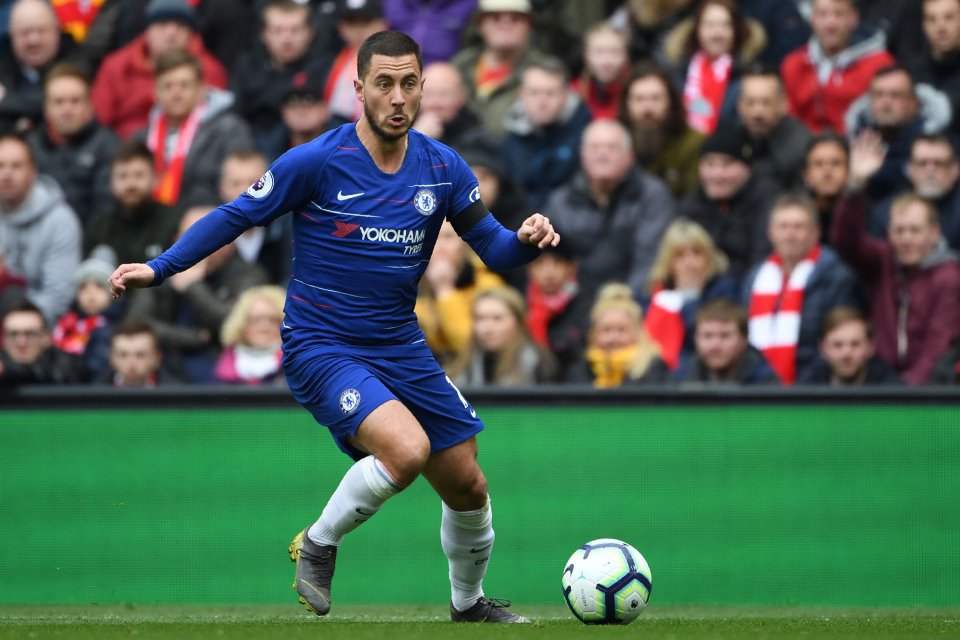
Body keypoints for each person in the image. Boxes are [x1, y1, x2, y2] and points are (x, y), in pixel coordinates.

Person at [108, 31, 559, 623]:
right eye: (384, 83)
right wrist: (161, 268)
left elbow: (494, 248)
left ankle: (468, 604)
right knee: (407, 451)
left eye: (409, 83)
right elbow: (235, 215)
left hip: (399, 343)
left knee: (468, 484)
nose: (397, 97)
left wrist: (525, 240)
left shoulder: (443, 167)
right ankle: (318, 544)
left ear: (423, 87)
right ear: (358, 89)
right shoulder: (316, 161)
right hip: (322, 345)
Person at [832, 133, 960, 384]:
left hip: (926, 391)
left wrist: (904, 393)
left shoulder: (949, 277)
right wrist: (856, 184)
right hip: (882, 382)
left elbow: (938, 346)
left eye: (915, 231)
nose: (906, 238)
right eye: (899, 231)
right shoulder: (883, 260)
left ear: (934, 233)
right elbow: (845, 241)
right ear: (889, 232)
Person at [547, 118, 675, 304]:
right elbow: (550, 263)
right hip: (573, 304)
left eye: (612, 147)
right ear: (583, 155)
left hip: (634, 302)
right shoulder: (561, 202)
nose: (602, 154)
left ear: (629, 156)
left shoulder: (652, 196)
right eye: (595, 147)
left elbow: (649, 261)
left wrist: (622, 304)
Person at [742, 193, 860, 384]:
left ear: (815, 232)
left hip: (813, 390)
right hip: (759, 388)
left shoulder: (836, 277)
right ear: (771, 232)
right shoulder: (755, 278)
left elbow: (840, 340)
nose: (790, 235)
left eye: (798, 227)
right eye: (783, 227)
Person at [91, 0, 228, 139]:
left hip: (191, 143)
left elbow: (214, 120)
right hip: (125, 145)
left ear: (190, 34)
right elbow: (100, 120)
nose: (171, 33)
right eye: (162, 25)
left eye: (180, 26)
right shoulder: (117, 66)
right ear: (146, 32)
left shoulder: (208, 69)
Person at [135, 50, 254, 207]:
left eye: (184, 85)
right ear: (155, 92)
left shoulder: (229, 131)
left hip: (211, 216)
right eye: (168, 86)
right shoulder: (141, 139)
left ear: (201, 89)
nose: (176, 93)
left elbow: (241, 186)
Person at [231, 0, 332, 160]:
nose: (286, 39)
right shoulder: (247, 66)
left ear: (310, 32)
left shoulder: (326, 67)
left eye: (295, 30)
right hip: (253, 148)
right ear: (264, 34)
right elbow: (237, 114)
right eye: (278, 31)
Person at [0, 133, 81, 324]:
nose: (6, 174)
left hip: (39, 328)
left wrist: (11, 319)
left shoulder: (61, 221)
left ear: (33, 171)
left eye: (16, 166)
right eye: (0, 166)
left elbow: (58, 297)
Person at [780, 0, 895, 135]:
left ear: (854, 18)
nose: (830, 24)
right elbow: (790, 120)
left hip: (858, 142)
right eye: (822, 14)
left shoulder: (879, 65)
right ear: (812, 19)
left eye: (839, 14)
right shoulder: (794, 65)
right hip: (804, 144)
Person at [678, 124, 777, 277]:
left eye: (727, 164)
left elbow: (761, 261)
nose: (717, 175)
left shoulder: (767, 202)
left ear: (747, 169)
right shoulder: (691, 206)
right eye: (710, 164)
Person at [844, 65, 952, 202]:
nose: (886, 103)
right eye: (879, 94)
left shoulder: (942, 145)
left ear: (914, 103)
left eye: (895, 95)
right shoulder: (855, 144)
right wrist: (857, 181)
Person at [643, 218, 739, 371]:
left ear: (708, 258)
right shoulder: (652, 297)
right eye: (680, 255)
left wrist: (690, 294)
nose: (690, 263)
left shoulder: (725, 291)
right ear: (668, 262)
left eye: (697, 253)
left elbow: (702, 337)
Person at [28, 62, 118, 224]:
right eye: (59, 102)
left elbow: (106, 209)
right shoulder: (30, 147)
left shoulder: (108, 146)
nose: (67, 110)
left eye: (75, 101)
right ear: (46, 108)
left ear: (89, 106)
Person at [661, 0, 767, 135]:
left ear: (736, 31)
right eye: (709, 25)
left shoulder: (749, 78)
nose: (717, 34)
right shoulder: (678, 73)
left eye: (725, 25)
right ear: (697, 30)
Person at [500, 56, 591, 210]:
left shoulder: (586, 135)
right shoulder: (510, 141)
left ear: (566, 95)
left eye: (550, 93)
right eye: (534, 93)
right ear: (521, 95)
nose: (542, 102)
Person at [451, 0, 545, 138]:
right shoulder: (459, 66)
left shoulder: (543, 72)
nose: (505, 24)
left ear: (529, 25)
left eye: (515, 18)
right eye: (495, 17)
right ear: (480, 24)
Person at [83, 140, 181, 265]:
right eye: (123, 176)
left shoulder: (175, 223)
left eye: (139, 175)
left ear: (156, 179)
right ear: (111, 181)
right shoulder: (98, 228)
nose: (131, 184)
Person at [619, 62, 704, 199]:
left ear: (670, 102)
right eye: (639, 99)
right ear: (626, 104)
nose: (647, 108)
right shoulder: (614, 142)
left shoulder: (693, 142)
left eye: (656, 98)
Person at [447, 286, 559, 387]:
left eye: (497, 318)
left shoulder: (539, 362)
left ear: (518, 323)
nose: (487, 329)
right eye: (480, 318)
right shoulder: (462, 366)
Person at [649, 299, 778, 384]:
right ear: (695, 338)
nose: (715, 345)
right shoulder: (680, 380)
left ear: (743, 340)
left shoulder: (765, 381)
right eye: (707, 336)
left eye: (725, 336)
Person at [868, 134, 960, 251]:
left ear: (955, 169)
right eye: (922, 163)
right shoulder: (886, 213)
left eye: (939, 163)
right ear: (909, 169)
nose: (930, 170)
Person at [0, 0, 80, 135]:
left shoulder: (77, 60)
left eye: (41, 31)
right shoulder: (4, 67)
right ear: (12, 37)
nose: (33, 41)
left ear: (57, 31)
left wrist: (6, 100)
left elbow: (58, 100)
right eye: (25, 33)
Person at [734, 63, 813, 191]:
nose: (757, 113)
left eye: (766, 103)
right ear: (739, 106)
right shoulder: (729, 140)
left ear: (783, 105)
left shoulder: (800, 146)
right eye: (750, 103)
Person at [567, 282, 660, 387]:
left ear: (638, 334)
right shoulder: (580, 371)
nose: (613, 338)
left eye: (621, 330)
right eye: (606, 330)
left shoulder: (652, 369)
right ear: (593, 335)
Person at [51, 245, 120, 379]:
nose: (90, 294)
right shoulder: (65, 325)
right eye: (83, 287)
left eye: (99, 286)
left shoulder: (115, 327)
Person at [797, 305, 901, 385]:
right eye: (838, 345)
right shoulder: (806, 388)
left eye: (855, 344)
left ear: (871, 347)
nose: (846, 353)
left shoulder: (893, 392)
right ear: (823, 348)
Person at [0, 299, 88, 385]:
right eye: (13, 334)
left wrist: (7, 370)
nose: (21, 342)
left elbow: (51, 374)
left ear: (46, 338)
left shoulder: (67, 364)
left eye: (30, 334)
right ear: (4, 339)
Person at [213, 284, 286, 386]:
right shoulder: (222, 369)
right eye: (256, 319)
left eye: (272, 320)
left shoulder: (296, 367)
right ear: (241, 324)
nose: (264, 327)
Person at [571, 22, 630, 120]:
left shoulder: (635, 90)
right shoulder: (573, 92)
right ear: (586, 56)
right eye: (599, 52)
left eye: (615, 52)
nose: (607, 61)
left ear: (625, 57)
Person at [97, 319, 179, 386]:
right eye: (123, 355)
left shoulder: (176, 395)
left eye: (140, 355)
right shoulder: (95, 394)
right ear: (111, 358)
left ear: (157, 358)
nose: (131, 363)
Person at [803, 133, 850, 234]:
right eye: (818, 164)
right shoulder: (796, 218)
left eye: (836, 163)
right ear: (807, 175)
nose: (827, 172)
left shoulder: (864, 214)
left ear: (848, 172)